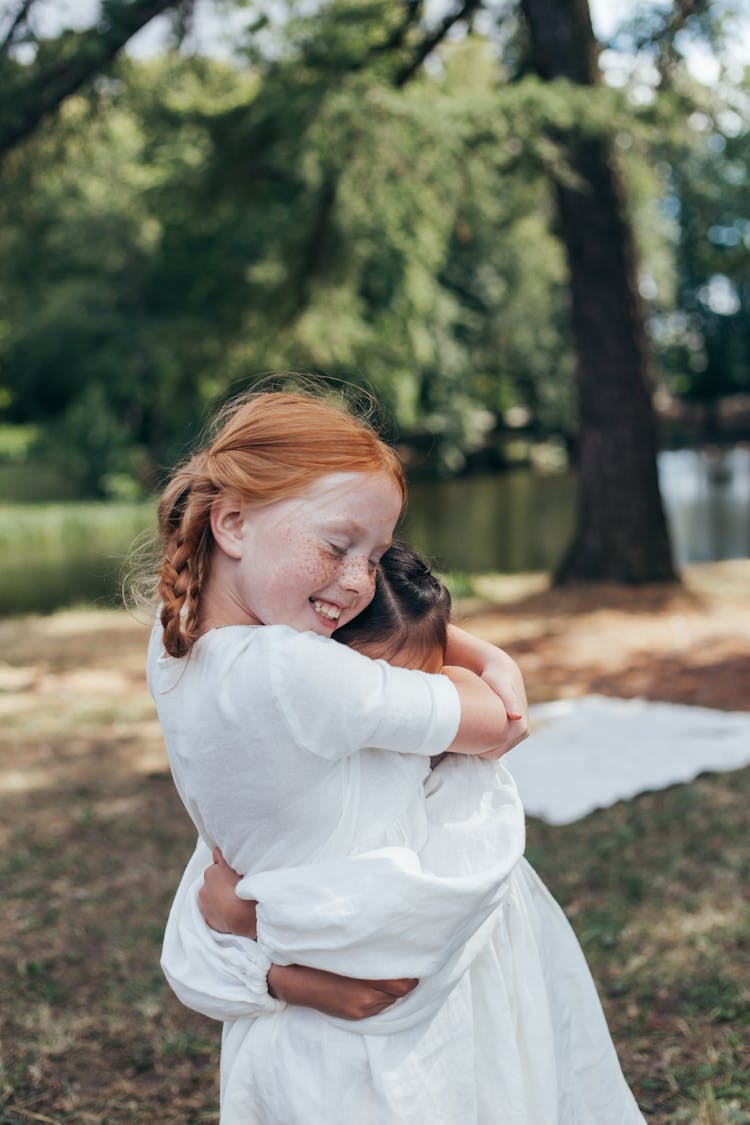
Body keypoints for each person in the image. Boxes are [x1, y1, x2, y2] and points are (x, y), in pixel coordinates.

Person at [150, 388, 646, 1123]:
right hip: (406, 1011)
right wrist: (496, 659)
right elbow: (497, 721)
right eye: (337, 544)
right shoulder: (295, 671)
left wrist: (277, 964)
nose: (358, 581)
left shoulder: (172, 640)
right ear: (232, 522)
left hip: (304, 1028)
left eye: (377, 557)